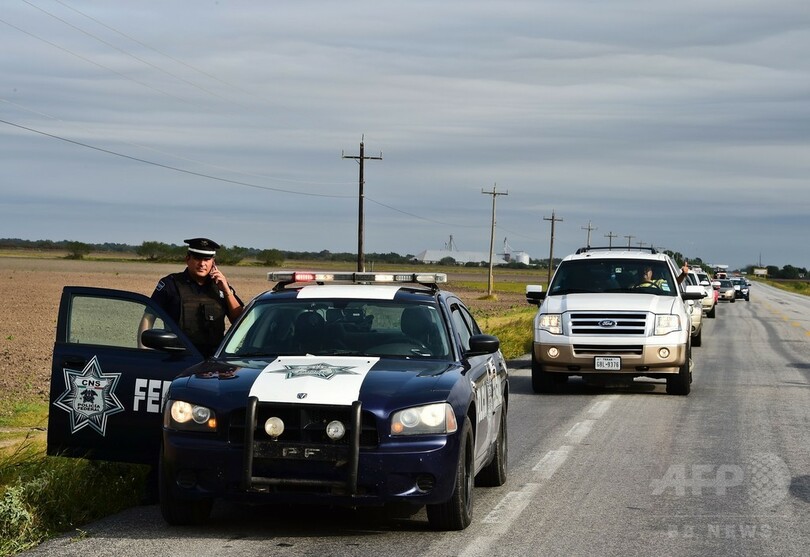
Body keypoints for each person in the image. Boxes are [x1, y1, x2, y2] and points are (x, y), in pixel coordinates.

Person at [139, 238, 244, 357]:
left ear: (213, 262)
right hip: (177, 358)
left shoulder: (221, 286)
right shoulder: (170, 284)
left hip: (213, 361)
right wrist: (144, 353)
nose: (202, 264)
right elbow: (148, 317)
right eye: (197, 258)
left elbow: (240, 321)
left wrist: (226, 291)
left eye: (206, 259)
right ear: (187, 259)